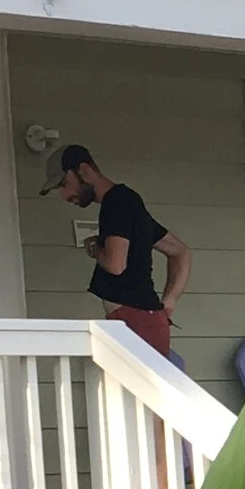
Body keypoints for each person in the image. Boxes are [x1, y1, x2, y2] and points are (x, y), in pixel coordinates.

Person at [44, 145, 191, 360]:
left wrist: (94, 248)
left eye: (65, 184)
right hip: (145, 319)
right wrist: (169, 303)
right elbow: (180, 252)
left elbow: (115, 264)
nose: (64, 195)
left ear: (84, 171)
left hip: (136, 321)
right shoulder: (128, 202)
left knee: (137, 393)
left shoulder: (116, 202)